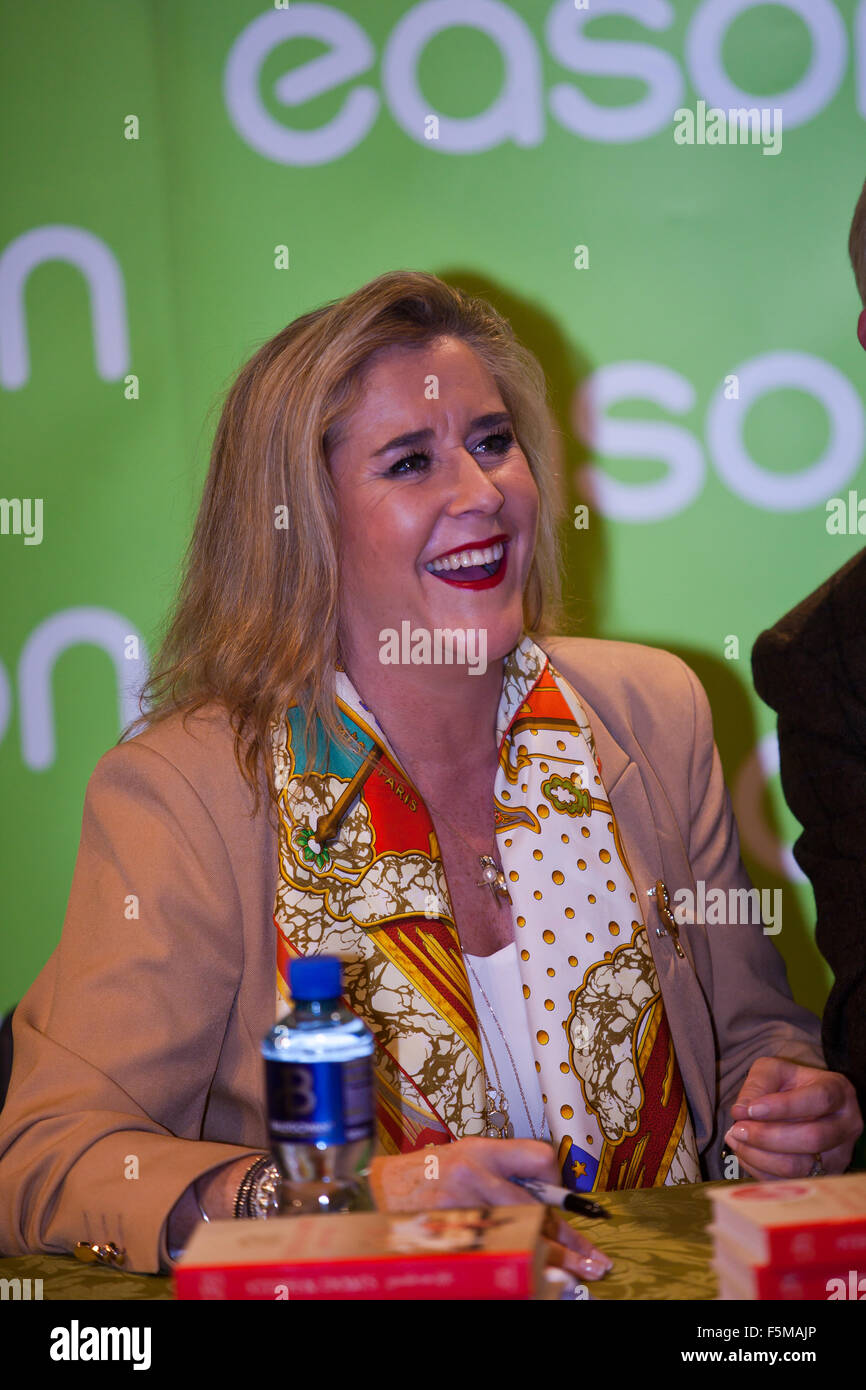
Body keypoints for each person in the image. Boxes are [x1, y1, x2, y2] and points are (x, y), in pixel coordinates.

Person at [0, 271, 860, 1281]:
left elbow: (750, 1031)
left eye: (492, 442)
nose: (481, 491)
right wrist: (341, 1199)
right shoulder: (186, 790)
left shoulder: (654, 712)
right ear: (301, 523)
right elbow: (47, 1157)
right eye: (410, 462)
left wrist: (795, 1100)